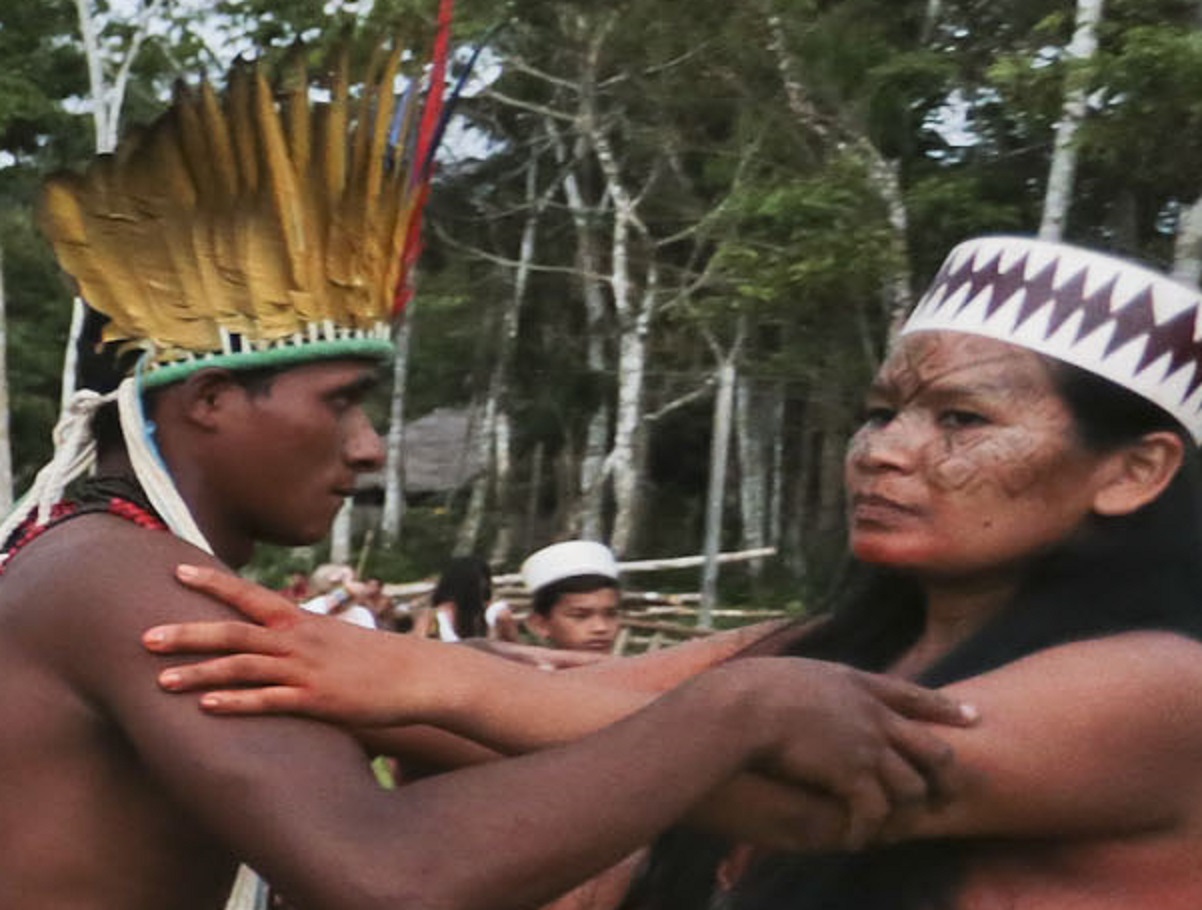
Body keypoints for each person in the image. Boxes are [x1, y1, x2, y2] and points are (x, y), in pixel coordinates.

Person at [0, 40, 972, 910]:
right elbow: (389, 872)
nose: (370, 446)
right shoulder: (121, 578)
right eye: (340, 400)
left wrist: (830, 637)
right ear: (208, 399)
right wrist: (741, 711)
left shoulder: (112, 562)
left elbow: (572, 716)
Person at [147, 235, 1202, 909]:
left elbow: (798, 791)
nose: (882, 450)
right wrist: (249, 668)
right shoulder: (827, 650)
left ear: (1133, 470)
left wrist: (411, 677)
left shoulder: (1160, 688)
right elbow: (567, 707)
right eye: (882, 411)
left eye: (959, 419)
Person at [521, 540, 623, 653]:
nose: (601, 627)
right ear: (540, 624)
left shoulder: (636, 670)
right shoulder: (522, 670)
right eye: (580, 616)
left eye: (611, 615)